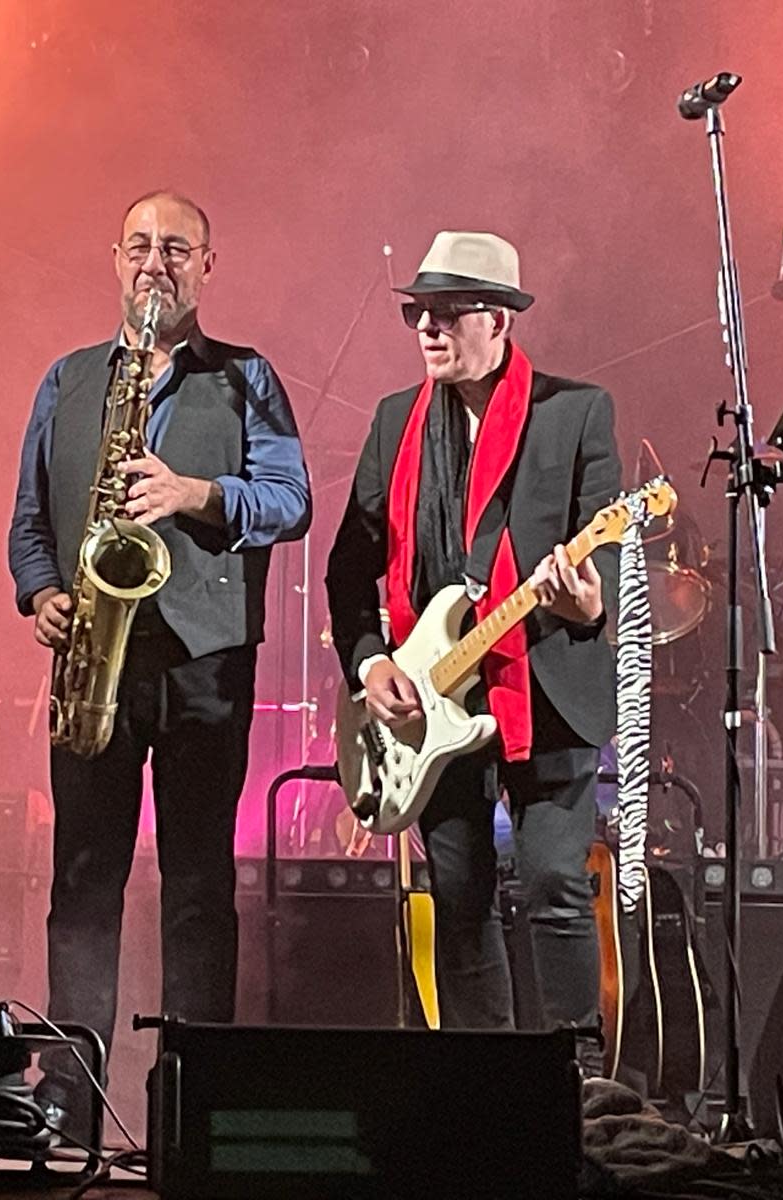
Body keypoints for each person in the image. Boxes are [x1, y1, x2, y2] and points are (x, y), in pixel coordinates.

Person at [8, 191, 311, 1128]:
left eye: (176, 249)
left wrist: (192, 493)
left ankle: (192, 1094)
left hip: (204, 665)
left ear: (206, 267)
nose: (155, 264)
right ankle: (69, 1090)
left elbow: (291, 500)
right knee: (82, 880)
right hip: (94, 660)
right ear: (114, 259)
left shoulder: (247, 376)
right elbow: (29, 522)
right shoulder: (67, 378)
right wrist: (41, 594)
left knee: (198, 884)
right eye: (139, 246)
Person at [325, 231, 622, 1061]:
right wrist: (371, 661)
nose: (426, 328)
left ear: (499, 320)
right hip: (429, 698)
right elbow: (349, 566)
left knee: (556, 885)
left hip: (543, 685)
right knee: (459, 899)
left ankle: (577, 1081)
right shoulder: (397, 420)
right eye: (417, 313)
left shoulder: (576, 412)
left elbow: (604, 554)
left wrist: (588, 598)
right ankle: (479, 1080)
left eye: (446, 312)